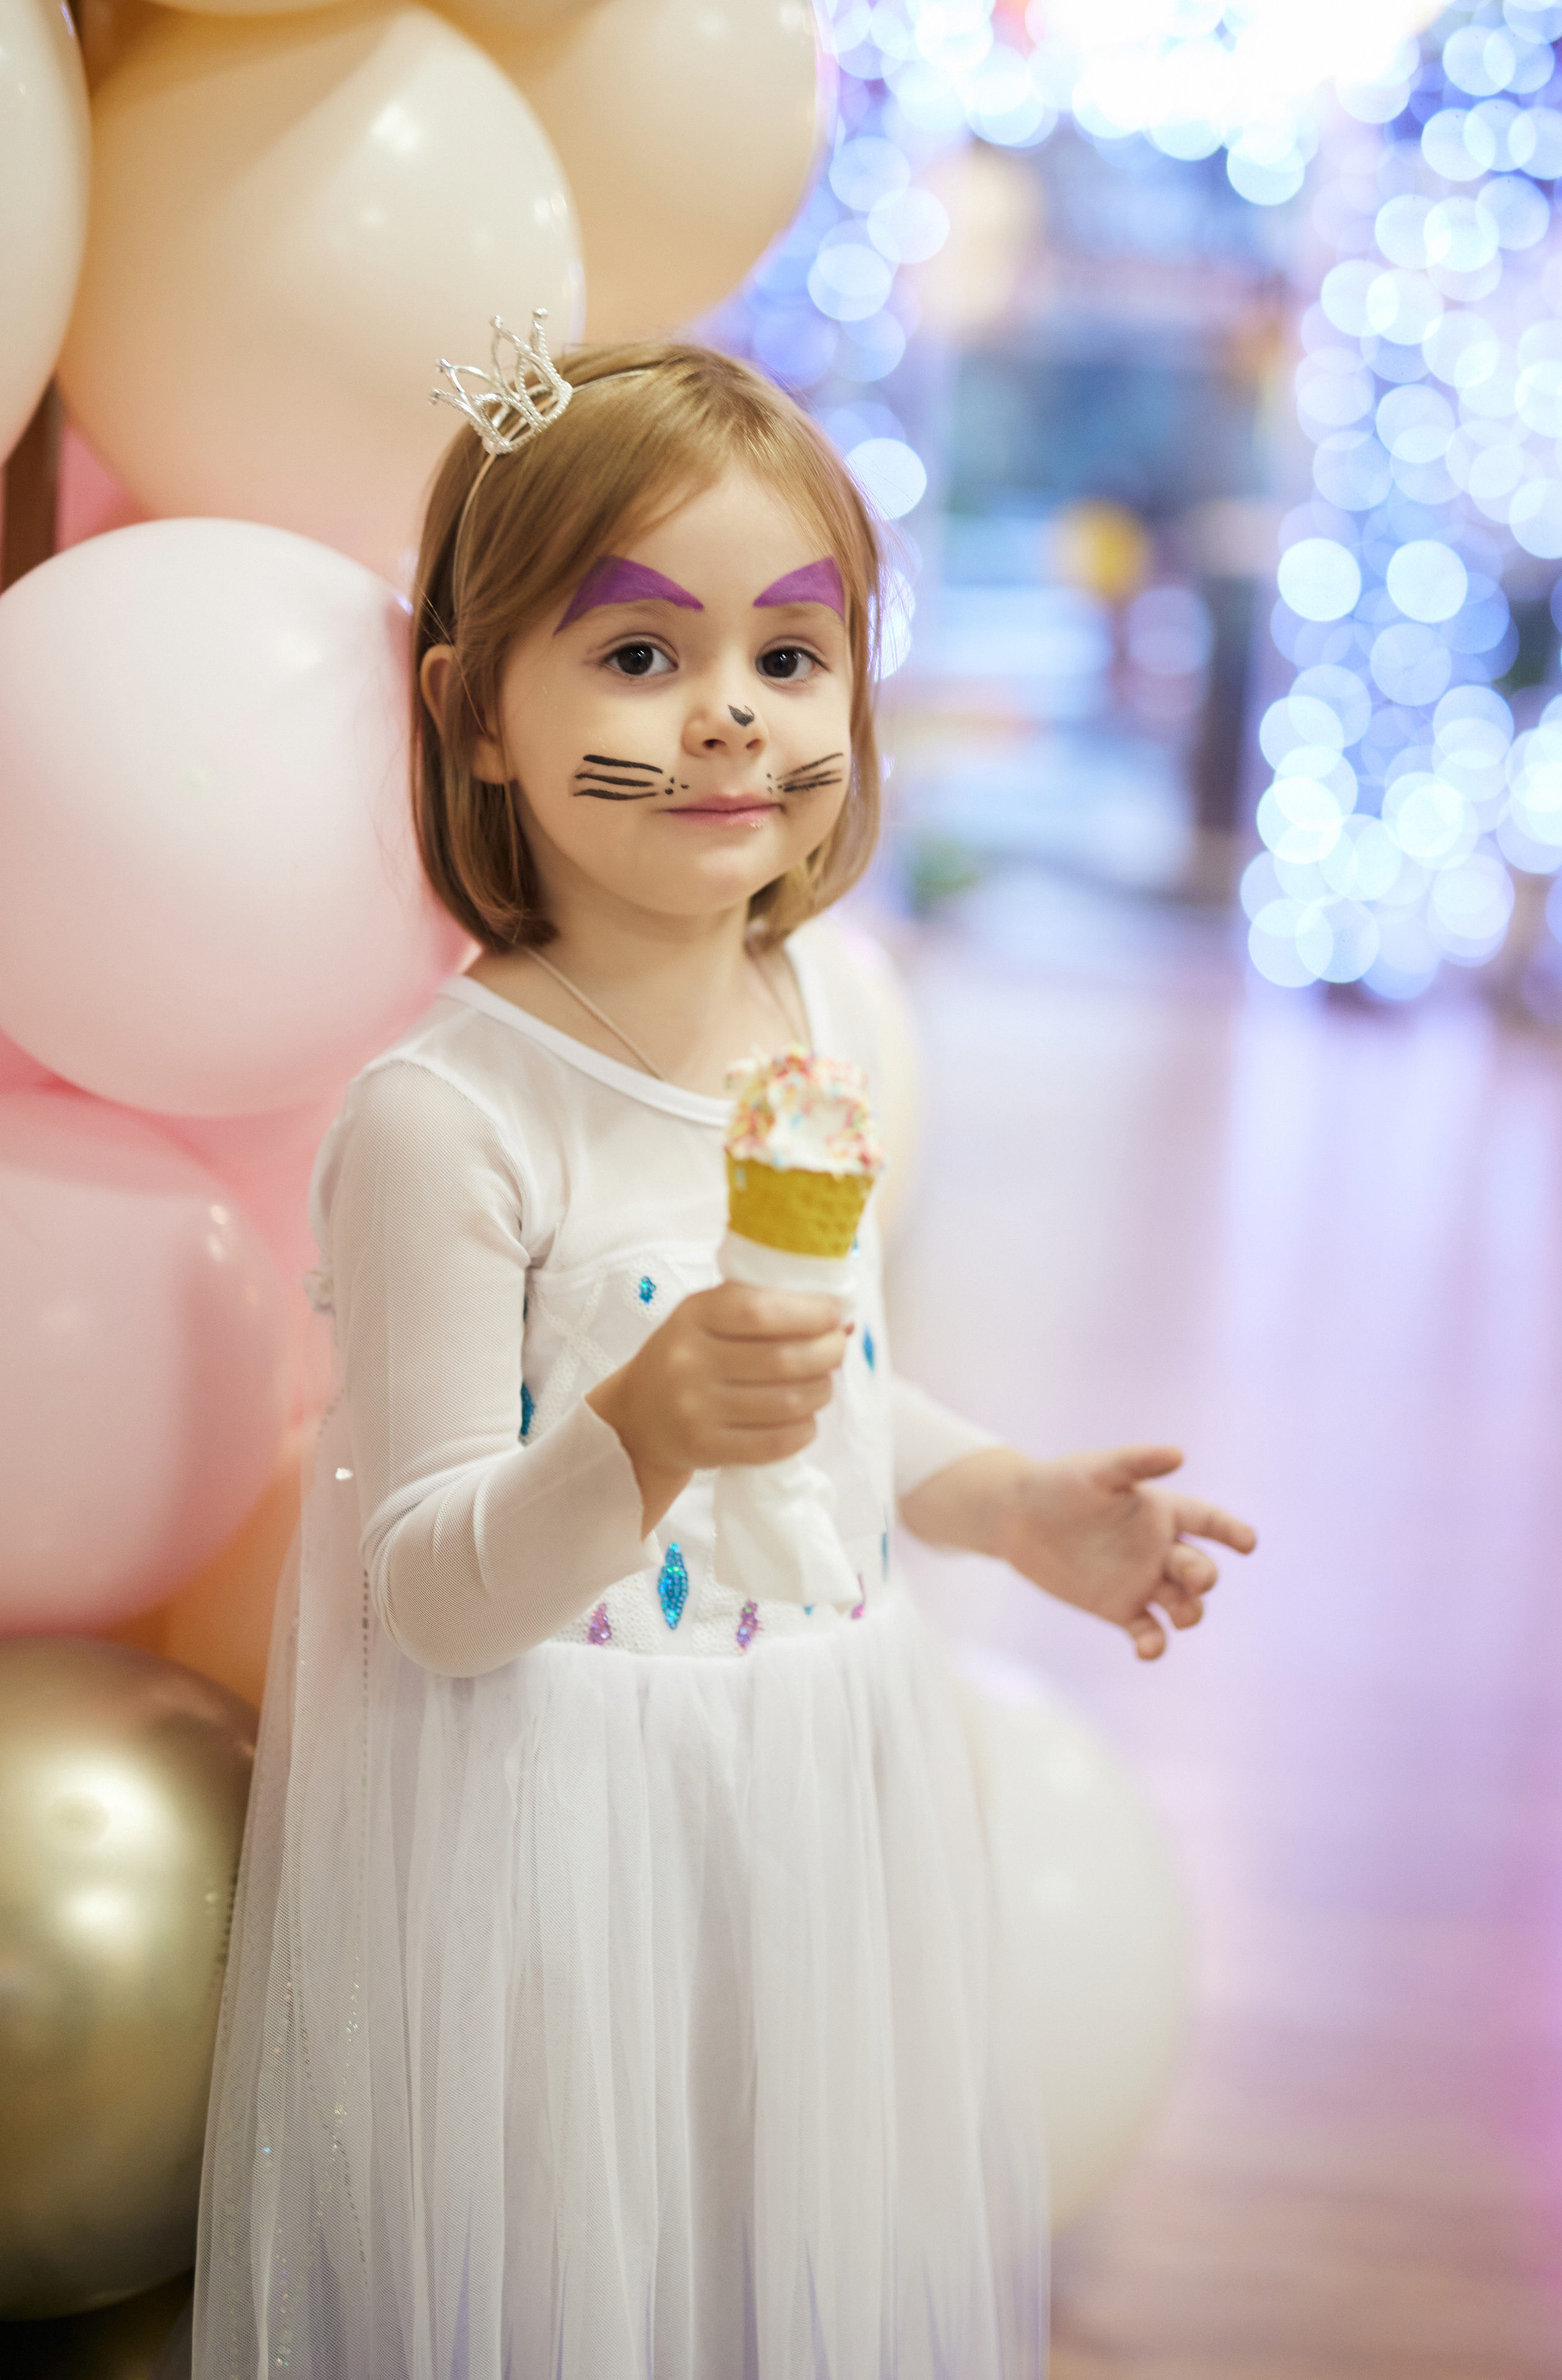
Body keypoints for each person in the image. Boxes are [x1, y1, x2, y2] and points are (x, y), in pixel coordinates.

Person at [191, 324, 1255, 2380]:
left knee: (770, 2279)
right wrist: (628, 1443)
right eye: (638, 655)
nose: (729, 728)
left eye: (790, 657)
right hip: (563, 1839)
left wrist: (1013, 1504)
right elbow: (424, 1591)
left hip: (814, 1789)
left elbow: (828, 1401)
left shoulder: (821, 1016)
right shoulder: (453, 1115)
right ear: (474, 716)